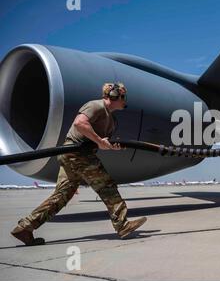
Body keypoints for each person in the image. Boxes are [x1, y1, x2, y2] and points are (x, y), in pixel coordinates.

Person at [11, 82, 147, 246]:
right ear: (114, 96)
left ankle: (25, 228)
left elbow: (99, 142)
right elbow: (79, 123)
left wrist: (111, 146)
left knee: (61, 196)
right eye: (123, 96)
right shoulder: (95, 106)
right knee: (107, 187)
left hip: (73, 155)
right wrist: (99, 141)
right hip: (77, 154)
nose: (125, 100)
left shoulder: (111, 119)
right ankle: (123, 225)